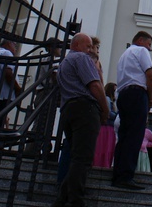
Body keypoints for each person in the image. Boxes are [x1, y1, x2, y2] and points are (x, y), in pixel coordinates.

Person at [53, 32, 109, 207]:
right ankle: (75, 199)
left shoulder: (64, 63)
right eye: (88, 46)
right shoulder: (81, 58)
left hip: (68, 109)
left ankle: (62, 199)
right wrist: (105, 109)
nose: (90, 50)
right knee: (83, 158)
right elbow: (95, 85)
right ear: (76, 45)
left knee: (77, 156)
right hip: (85, 108)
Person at [112, 31, 152, 189]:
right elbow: (150, 76)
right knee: (135, 135)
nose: (150, 48)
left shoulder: (124, 56)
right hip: (137, 94)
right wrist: (150, 98)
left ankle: (117, 173)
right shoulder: (140, 51)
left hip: (123, 95)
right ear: (140, 40)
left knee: (123, 135)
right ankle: (126, 175)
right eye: (149, 44)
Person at [93, 82, 117, 168]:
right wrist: (117, 115)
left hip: (110, 127)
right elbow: (108, 113)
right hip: (106, 127)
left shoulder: (112, 102)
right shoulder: (107, 99)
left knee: (108, 148)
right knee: (104, 147)